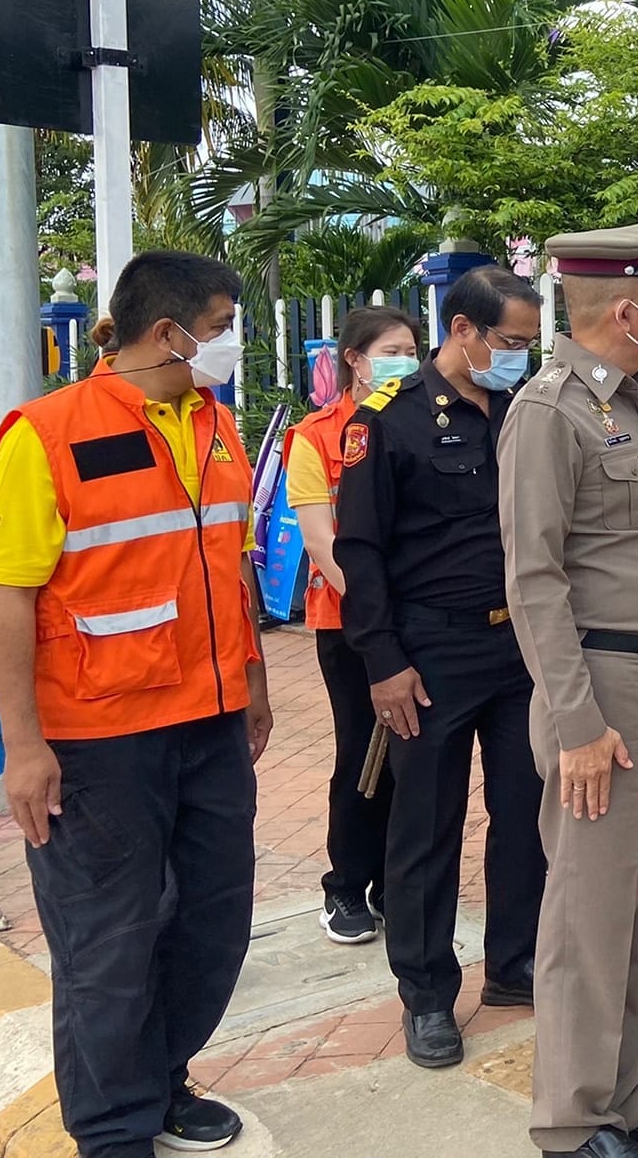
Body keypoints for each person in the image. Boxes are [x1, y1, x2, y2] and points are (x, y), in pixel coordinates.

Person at [0, 250, 272, 1156]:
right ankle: (112, 1131)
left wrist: (255, 682)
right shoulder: (46, 433)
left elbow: (230, 559)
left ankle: (161, 1074)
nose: (230, 345)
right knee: (109, 940)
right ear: (167, 333)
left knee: (212, 918)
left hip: (209, 722)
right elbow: (5, 595)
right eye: (221, 328)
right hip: (96, 738)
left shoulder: (214, 422)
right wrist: (24, 746)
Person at [501, 212, 638, 1158]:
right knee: (590, 914)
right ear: (627, 309)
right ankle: (570, 1117)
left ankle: (622, 1090)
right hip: (600, 689)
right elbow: (535, 581)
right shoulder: (547, 412)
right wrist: (576, 722)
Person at [335, 265, 548, 1069]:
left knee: (526, 809)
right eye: (511, 340)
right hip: (429, 650)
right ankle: (426, 992)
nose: (520, 355)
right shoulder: (388, 419)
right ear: (463, 329)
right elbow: (360, 550)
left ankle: (515, 961)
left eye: (529, 343)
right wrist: (383, 661)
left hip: (519, 645)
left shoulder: (524, 406)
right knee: (426, 823)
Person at [285, 305, 420, 946]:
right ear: (355, 361)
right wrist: (377, 616)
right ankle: (345, 886)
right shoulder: (315, 437)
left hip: (420, 619)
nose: (406, 361)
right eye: (392, 351)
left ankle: (395, 885)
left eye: (412, 349)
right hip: (351, 623)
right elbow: (321, 541)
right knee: (361, 754)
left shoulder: (421, 420)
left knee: (414, 757)